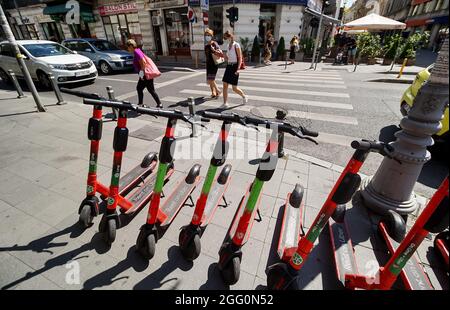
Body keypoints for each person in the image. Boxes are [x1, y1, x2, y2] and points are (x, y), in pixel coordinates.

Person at [127, 39, 162, 108]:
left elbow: (143, 63)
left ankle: (141, 104)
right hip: (145, 74)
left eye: (128, 47)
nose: (127, 49)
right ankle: (158, 104)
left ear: (131, 46)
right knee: (148, 89)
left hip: (145, 75)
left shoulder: (136, 52)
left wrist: (141, 75)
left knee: (142, 89)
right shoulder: (138, 51)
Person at [221, 30, 248, 108]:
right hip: (229, 66)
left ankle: (244, 96)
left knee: (234, 88)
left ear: (230, 36)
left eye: (227, 37)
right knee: (225, 85)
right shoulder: (228, 46)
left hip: (235, 67)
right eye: (225, 37)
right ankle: (225, 103)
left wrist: (238, 68)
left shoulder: (236, 45)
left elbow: (240, 58)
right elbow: (228, 58)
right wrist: (224, 56)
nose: (226, 39)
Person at [204, 28, 222, 99]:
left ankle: (218, 90)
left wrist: (213, 50)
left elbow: (220, 53)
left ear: (211, 36)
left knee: (211, 79)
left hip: (214, 64)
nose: (207, 36)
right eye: (206, 35)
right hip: (208, 64)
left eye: (209, 35)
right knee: (210, 79)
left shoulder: (214, 43)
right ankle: (213, 93)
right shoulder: (206, 45)